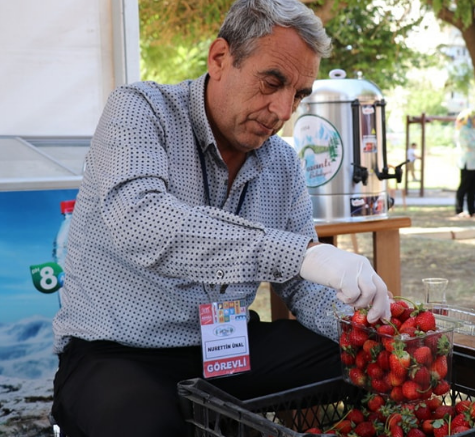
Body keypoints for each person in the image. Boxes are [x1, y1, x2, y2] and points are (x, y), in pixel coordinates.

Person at [50, 1, 391, 436]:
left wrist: (367, 321)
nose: (284, 111)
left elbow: (303, 285)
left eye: (298, 94)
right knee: (144, 425)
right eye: (272, 83)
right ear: (219, 58)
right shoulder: (139, 110)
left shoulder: (282, 162)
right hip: (118, 352)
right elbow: (143, 221)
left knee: (374, 360)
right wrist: (301, 254)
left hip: (227, 346)